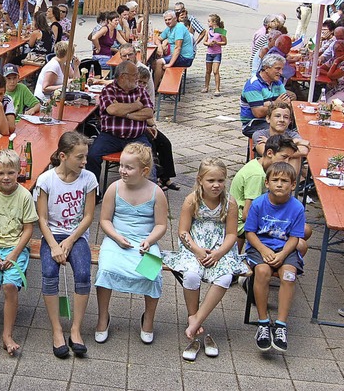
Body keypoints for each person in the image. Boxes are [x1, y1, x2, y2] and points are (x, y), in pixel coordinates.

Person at [162, 158, 248, 361]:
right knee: (191, 274)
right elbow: (182, 231)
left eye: (220, 180)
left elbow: (231, 235)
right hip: (194, 246)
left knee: (225, 278)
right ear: (200, 180)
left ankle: (196, 320)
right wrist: (197, 250)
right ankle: (193, 315)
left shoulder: (230, 202)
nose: (216, 185)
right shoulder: (192, 200)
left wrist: (219, 253)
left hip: (220, 248)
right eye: (211, 180)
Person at [94, 143, 167, 345]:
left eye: (129, 167)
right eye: (121, 165)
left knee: (153, 274)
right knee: (106, 269)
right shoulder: (114, 188)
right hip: (117, 239)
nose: (122, 171)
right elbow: (105, 220)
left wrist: (149, 240)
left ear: (144, 171)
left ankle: (148, 319)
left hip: (145, 241)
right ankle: (102, 317)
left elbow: (161, 224)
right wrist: (116, 237)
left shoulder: (156, 192)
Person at [35, 132, 98, 358]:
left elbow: (89, 216)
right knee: (49, 273)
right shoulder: (46, 180)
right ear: (63, 156)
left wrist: (70, 241)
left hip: (76, 236)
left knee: (83, 273)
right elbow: (41, 219)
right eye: (79, 157)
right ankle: (57, 330)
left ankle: (76, 328)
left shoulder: (88, 178)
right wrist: (53, 245)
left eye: (85, 157)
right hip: (52, 236)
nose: (84, 162)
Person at [0, 149, 38, 363]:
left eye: (10, 173)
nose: (6, 177)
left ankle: (7, 334)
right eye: (1, 173)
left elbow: (28, 229)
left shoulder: (24, 195)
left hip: (15, 247)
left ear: (18, 171)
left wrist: (14, 254)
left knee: (10, 286)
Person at [245, 162, 305, 353]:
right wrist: (263, 250)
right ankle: (263, 323)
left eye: (284, 181)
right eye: (275, 180)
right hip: (259, 247)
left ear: (293, 185)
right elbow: (250, 233)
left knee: (289, 275)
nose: (279, 184)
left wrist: (283, 254)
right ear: (267, 183)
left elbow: (295, 237)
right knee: (262, 271)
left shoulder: (297, 208)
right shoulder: (258, 204)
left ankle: (280, 325)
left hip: (284, 249)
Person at [230, 135, 307, 252]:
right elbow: (247, 215)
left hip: (259, 216)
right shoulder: (257, 175)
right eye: (284, 157)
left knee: (305, 229)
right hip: (242, 225)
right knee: (300, 243)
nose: (287, 162)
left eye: (289, 158)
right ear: (270, 153)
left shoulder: (259, 164)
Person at [85, 61, 154, 182]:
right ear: (123, 76)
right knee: (92, 156)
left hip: (136, 136)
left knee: (147, 159)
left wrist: (125, 113)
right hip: (110, 136)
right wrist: (137, 105)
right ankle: (94, 192)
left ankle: (149, 194)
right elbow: (112, 109)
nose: (137, 77)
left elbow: (148, 113)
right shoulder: (109, 90)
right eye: (134, 74)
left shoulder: (141, 91)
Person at [136, 65, 178, 191]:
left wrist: (153, 125)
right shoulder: (130, 93)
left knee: (165, 143)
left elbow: (148, 113)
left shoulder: (144, 94)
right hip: (136, 127)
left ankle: (166, 177)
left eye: (144, 83)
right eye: (139, 82)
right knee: (151, 145)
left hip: (146, 124)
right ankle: (155, 176)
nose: (142, 85)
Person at [253, 101, 310, 177]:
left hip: (288, 175)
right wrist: (295, 143)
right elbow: (266, 152)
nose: (282, 120)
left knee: (296, 157)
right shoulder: (260, 134)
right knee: (295, 153)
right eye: (277, 116)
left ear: (289, 121)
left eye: (286, 117)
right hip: (267, 172)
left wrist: (270, 142)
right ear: (268, 119)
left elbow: (304, 151)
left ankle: (288, 182)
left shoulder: (292, 135)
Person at [240, 53, 290, 137]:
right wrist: (275, 103)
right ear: (266, 68)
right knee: (282, 134)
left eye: (282, 69)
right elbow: (258, 113)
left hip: (274, 118)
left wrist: (267, 104)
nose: (281, 72)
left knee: (297, 129)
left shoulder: (277, 82)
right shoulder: (253, 85)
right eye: (277, 69)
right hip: (254, 123)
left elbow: (287, 103)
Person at [154, 9, 195, 88]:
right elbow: (158, 39)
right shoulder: (169, 28)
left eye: (169, 19)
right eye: (165, 20)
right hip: (176, 56)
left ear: (175, 18)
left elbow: (178, 48)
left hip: (185, 58)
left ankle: (155, 88)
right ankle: (165, 83)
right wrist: (159, 46)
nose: (167, 22)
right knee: (153, 63)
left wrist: (170, 64)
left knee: (159, 62)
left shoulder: (179, 28)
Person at [202, 14, 227, 96]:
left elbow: (225, 42)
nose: (208, 23)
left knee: (215, 71)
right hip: (209, 53)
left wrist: (217, 43)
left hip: (217, 53)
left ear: (214, 22)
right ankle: (206, 86)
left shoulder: (221, 31)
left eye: (209, 21)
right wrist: (208, 44)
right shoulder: (208, 31)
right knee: (208, 71)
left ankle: (217, 88)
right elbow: (204, 42)